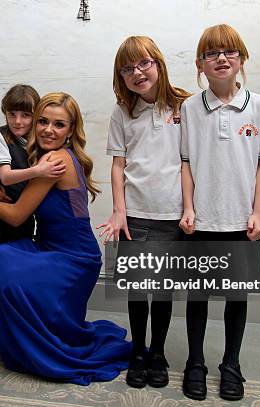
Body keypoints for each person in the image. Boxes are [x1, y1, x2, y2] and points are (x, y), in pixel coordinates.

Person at [0, 92, 131, 385]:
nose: (48, 129)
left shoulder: (56, 160)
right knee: (0, 257)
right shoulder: (47, 159)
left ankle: (29, 339)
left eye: (59, 125)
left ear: (71, 130)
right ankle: (16, 332)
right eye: (43, 121)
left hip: (74, 257)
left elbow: (17, 215)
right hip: (52, 247)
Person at [179, 24, 260, 401]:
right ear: (200, 64)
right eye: (211, 53)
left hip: (242, 222)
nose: (221, 59)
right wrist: (188, 208)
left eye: (229, 52)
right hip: (202, 220)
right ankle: (195, 363)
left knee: (238, 298)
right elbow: (186, 162)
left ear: (241, 59)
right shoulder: (190, 107)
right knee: (198, 297)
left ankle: (231, 365)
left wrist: (259, 213)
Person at [97, 36, 190, 389]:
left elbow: (192, 161)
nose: (137, 73)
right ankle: (138, 351)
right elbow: (118, 165)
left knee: (163, 290)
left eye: (143, 64)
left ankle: (160, 353)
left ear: (158, 64)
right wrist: (119, 211)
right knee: (138, 290)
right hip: (135, 214)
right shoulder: (123, 112)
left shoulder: (185, 105)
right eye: (127, 68)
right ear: (121, 76)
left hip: (173, 214)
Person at [0, 84, 65, 371]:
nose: (18, 121)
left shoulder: (41, 139)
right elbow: (4, 176)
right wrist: (35, 172)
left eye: (26, 115)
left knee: (12, 277)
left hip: (24, 219)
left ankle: (0, 328)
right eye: (12, 114)